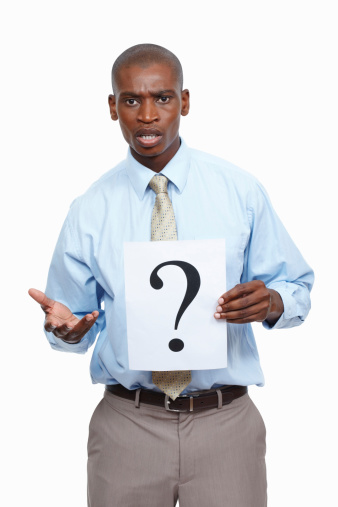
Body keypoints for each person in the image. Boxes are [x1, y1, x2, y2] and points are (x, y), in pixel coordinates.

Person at [29, 43, 314, 507]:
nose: (146, 115)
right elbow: (72, 323)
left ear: (184, 101)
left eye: (162, 98)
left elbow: (297, 288)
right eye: (131, 100)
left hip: (226, 426)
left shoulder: (239, 192)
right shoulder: (89, 210)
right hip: (127, 427)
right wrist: (65, 329)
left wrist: (274, 303)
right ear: (112, 106)